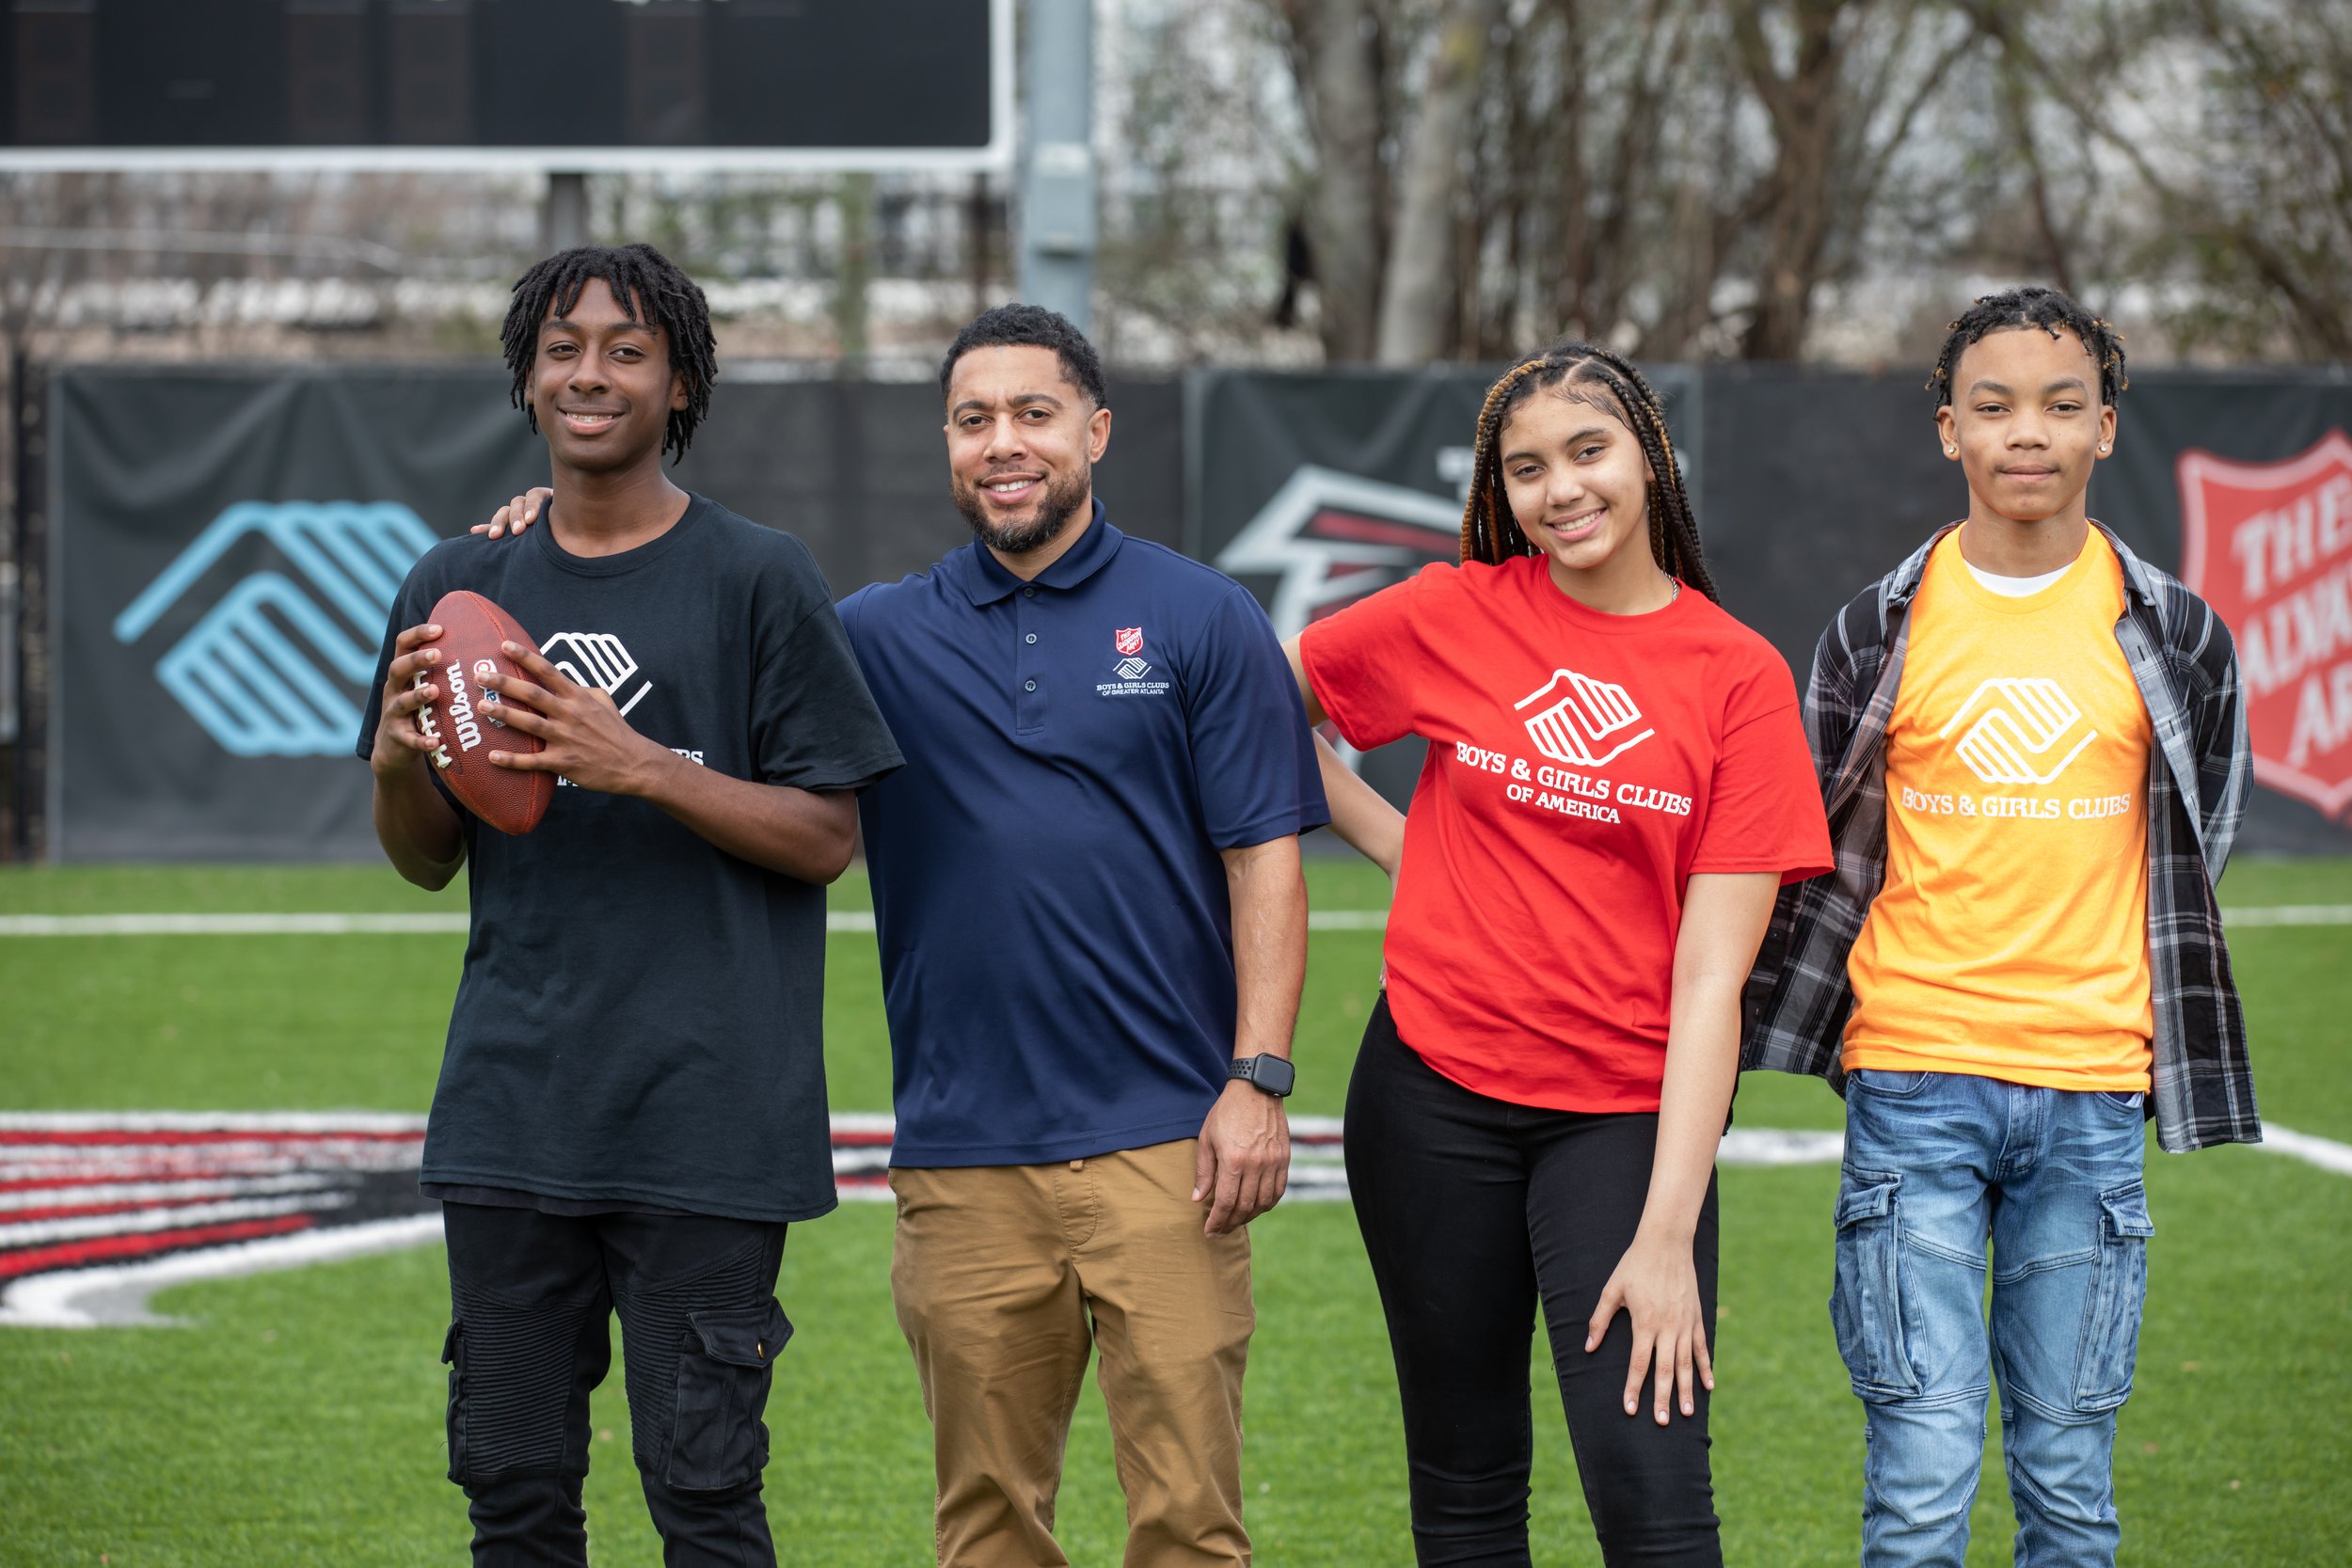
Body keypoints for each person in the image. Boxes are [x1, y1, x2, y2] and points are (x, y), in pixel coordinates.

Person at [482, 303, 1328, 1568]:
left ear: (1094, 430)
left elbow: (1264, 859)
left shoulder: (1203, 618)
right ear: (945, 442)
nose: (1005, 444)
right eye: (973, 419)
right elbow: (712, 694)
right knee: (985, 1527)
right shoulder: (868, 635)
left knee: (1191, 1527)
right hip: (961, 1156)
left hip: (1172, 1142)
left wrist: (1257, 1078)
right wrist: (548, 534)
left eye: (1034, 415)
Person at [359, 243, 902, 1568]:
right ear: (525, 380)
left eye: (625, 348)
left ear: (680, 383)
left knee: (704, 1497)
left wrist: (641, 767)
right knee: (512, 1490)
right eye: (562, 348)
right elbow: (425, 857)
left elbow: (830, 835)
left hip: (707, 1120)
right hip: (510, 1110)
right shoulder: (457, 585)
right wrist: (393, 760)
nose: (589, 373)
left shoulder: (761, 577)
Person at [1286, 340, 1834, 1567]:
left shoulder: (1736, 676)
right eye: (1526, 468)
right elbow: (1265, 709)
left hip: (1623, 1121)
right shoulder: (1450, 612)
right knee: (1466, 1491)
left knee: (1654, 1503)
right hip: (1427, 1094)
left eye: (1588, 452)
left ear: (1649, 457)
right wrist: (1406, 849)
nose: (1561, 489)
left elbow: (1712, 984)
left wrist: (1664, 1232)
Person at [1742, 285, 2257, 1566]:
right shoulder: (1878, 627)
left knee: (2072, 1487)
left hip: (2092, 1094)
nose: (2028, 432)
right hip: (1913, 1085)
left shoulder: (2178, 631)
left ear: (2105, 430)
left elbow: (2206, 840)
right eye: (1996, 407)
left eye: (2061, 405)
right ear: (1948, 433)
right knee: (1918, 1483)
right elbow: (1813, 838)